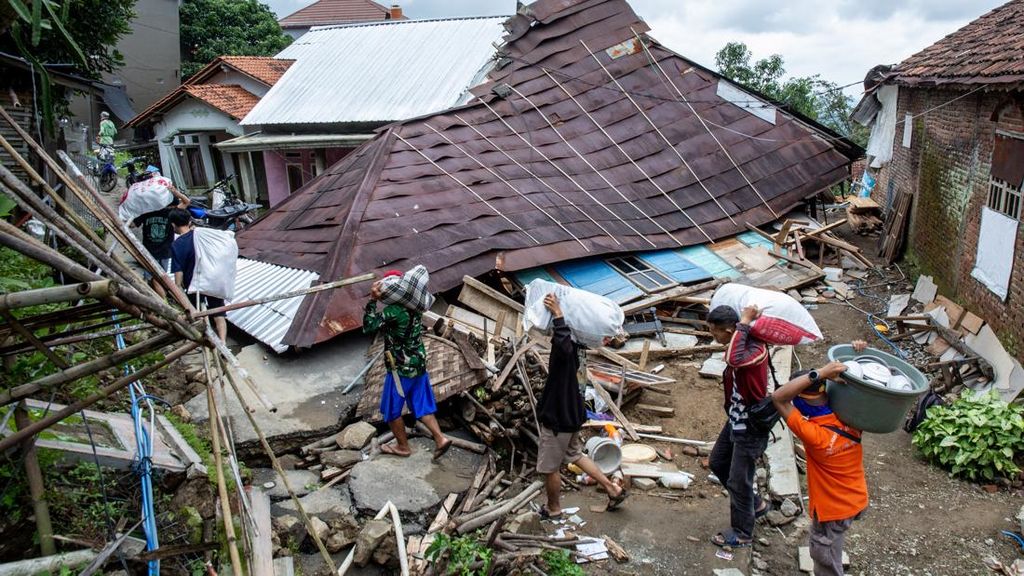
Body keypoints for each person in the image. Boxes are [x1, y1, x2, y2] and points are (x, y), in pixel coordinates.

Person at [772, 342, 869, 576]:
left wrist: (820, 372)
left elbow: (778, 397)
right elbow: (868, 384)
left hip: (832, 509)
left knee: (825, 559)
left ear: (800, 399)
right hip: (855, 498)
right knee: (833, 550)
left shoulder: (814, 434)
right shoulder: (848, 414)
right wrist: (859, 351)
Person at [535, 292, 627, 518]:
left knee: (550, 468)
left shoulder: (566, 348)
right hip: (574, 412)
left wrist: (558, 314)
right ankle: (612, 488)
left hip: (559, 416)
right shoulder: (580, 346)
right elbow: (565, 342)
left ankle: (554, 509)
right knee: (575, 454)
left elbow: (563, 344)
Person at [363, 269, 451, 459]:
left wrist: (372, 300)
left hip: (400, 369)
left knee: (392, 411)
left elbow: (369, 326)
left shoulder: (393, 311)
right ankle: (440, 438)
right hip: (419, 363)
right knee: (422, 406)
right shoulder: (415, 309)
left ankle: (403, 447)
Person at [707, 304, 771, 548]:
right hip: (736, 418)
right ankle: (756, 504)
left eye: (716, 333)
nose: (714, 338)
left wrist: (743, 322)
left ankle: (743, 532)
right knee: (718, 462)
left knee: (738, 480)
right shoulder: (742, 343)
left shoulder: (756, 349)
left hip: (751, 425)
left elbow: (733, 359)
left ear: (729, 329)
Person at [168, 208, 228, 342]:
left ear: (173, 225)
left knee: (198, 315)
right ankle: (223, 342)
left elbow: (179, 272)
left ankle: (207, 340)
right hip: (212, 279)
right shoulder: (202, 235)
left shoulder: (177, 245)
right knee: (218, 313)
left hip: (193, 284)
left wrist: (178, 288)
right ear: (189, 221)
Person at [132, 167, 189, 299]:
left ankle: (164, 302)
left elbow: (186, 202)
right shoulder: (147, 212)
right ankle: (165, 301)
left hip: (158, 251)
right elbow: (132, 223)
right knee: (159, 278)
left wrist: (175, 192)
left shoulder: (162, 212)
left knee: (156, 278)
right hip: (154, 251)